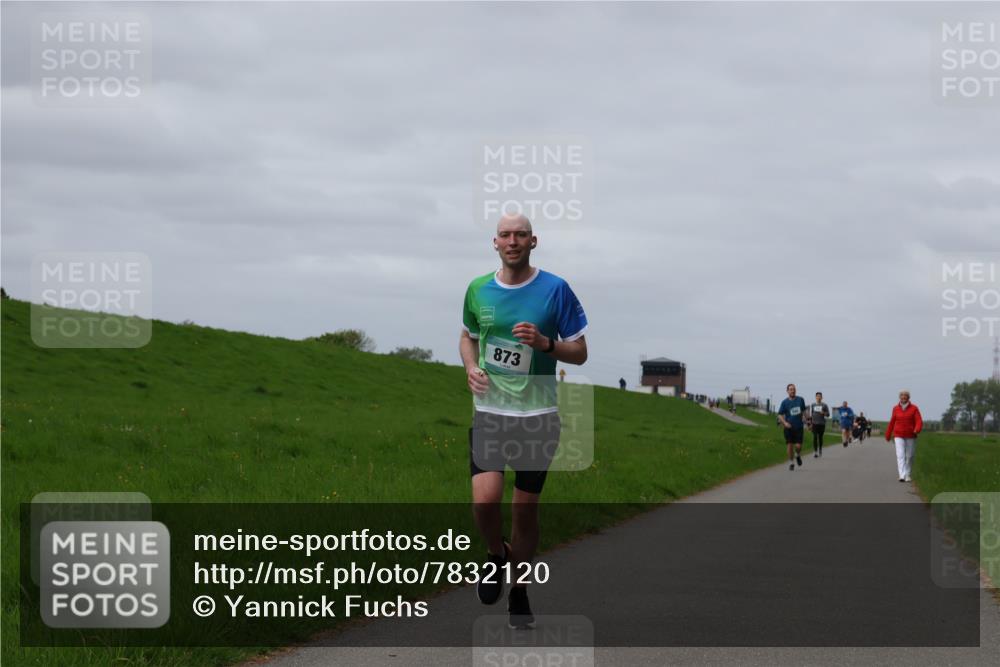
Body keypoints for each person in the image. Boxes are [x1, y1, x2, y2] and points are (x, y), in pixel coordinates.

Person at [460, 213, 588, 629]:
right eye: (504, 235)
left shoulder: (555, 290)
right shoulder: (478, 289)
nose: (512, 241)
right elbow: (467, 336)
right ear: (494, 242)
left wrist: (546, 343)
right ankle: (496, 555)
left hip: (537, 417)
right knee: (485, 498)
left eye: (520, 235)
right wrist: (469, 368)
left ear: (533, 241)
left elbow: (580, 351)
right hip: (490, 413)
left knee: (525, 513)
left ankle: (519, 591)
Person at [885, 390, 923, 483]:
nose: (903, 398)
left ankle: (908, 474)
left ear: (908, 398)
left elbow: (919, 421)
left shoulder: (914, 408)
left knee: (909, 456)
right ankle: (902, 475)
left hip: (911, 435)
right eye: (902, 396)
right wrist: (888, 434)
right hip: (898, 434)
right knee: (900, 455)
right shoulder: (895, 408)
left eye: (905, 396)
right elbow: (892, 422)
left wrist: (917, 429)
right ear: (899, 398)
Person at [777, 383, 807, 471]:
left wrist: (808, 420)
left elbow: (804, 411)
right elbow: (779, 415)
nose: (792, 391)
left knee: (798, 446)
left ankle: (797, 455)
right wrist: (785, 423)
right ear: (787, 391)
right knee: (789, 445)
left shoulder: (800, 400)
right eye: (790, 389)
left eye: (794, 389)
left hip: (799, 426)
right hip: (788, 427)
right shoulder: (784, 402)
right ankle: (791, 462)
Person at [807, 391, 830, 458]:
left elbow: (828, 414)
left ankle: (820, 450)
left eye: (820, 396)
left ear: (822, 397)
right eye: (817, 396)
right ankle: (815, 452)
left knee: (820, 438)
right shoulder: (813, 405)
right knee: (814, 437)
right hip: (814, 424)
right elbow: (811, 414)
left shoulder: (824, 405)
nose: (819, 397)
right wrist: (810, 424)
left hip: (822, 424)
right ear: (815, 397)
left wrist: (824, 413)